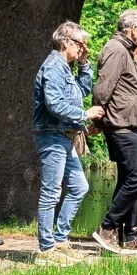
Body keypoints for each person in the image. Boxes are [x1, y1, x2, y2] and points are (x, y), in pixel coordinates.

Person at [93, 7, 137, 249]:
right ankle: (107, 227)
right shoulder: (116, 50)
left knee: (128, 178)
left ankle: (125, 235)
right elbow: (103, 87)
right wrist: (98, 119)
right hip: (120, 126)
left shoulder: (124, 50)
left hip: (129, 126)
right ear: (134, 29)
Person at [33, 20, 96, 252]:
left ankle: (60, 240)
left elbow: (82, 91)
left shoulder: (65, 68)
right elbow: (54, 105)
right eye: (80, 44)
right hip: (52, 135)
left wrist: (84, 64)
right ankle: (46, 248)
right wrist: (85, 114)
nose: (83, 48)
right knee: (51, 193)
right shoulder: (53, 67)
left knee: (79, 187)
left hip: (65, 136)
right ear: (66, 41)